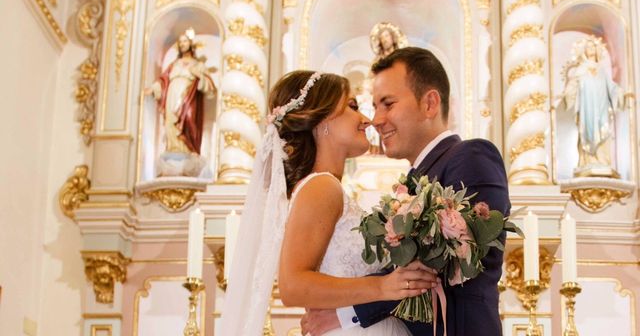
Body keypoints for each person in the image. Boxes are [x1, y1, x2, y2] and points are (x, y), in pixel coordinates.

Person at [302, 47, 511, 336]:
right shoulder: (412, 183)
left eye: (387, 104)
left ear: (430, 104)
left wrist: (348, 313)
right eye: (374, 106)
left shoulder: (472, 156)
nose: (375, 119)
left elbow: (452, 258)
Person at [218, 70, 438, 335]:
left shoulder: (325, 188)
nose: (366, 120)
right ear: (321, 120)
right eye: (352, 106)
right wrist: (382, 287)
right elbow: (293, 286)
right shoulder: (322, 187)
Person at [558, 36, 622, 170]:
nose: (590, 49)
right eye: (587, 47)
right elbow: (573, 86)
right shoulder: (580, 69)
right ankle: (587, 160)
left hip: (601, 106)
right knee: (587, 131)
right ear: (583, 51)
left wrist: (619, 92)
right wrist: (567, 93)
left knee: (603, 131)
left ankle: (602, 160)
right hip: (587, 109)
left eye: (593, 46)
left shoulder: (602, 70)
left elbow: (611, 87)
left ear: (598, 49)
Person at [149, 29, 216, 155]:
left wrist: (200, 76)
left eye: (185, 41)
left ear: (190, 43)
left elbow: (210, 87)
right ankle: (173, 149)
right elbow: (163, 80)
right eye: (180, 42)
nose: (182, 44)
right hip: (172, 95)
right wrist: (154, 88)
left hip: (189, 97)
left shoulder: (198, 65)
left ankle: (188, 150)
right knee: (171, 121)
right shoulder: (174, 64)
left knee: (189, 119)